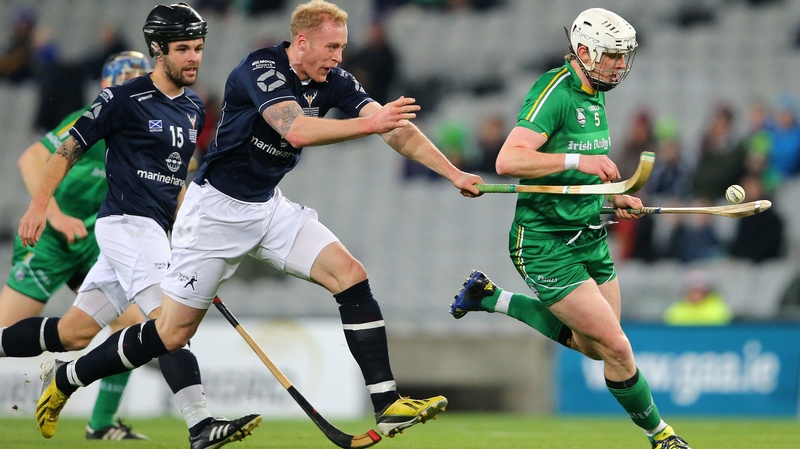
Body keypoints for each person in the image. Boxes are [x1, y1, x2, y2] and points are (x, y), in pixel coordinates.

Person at [25, 0, 483, 441]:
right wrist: (373, 123)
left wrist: (453, 172)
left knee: (350, 274)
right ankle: (69, 377)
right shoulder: (259, 68)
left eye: (342, 48)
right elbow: (297, 129)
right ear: (301, 42)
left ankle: (387, 404)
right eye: (331, 48)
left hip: (268, 208)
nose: (340, 58)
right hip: (214, 216)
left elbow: (394, 128)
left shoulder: (335, 79)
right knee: (171, 332)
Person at [15, 4, 260, 448]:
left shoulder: (192, 109)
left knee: (73, 333)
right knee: (170, 324)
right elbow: (64, 152)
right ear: (157, 51)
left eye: (199, 48)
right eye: (182, 49)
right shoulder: (122, 98)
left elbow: (177, 184)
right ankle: (200, 424)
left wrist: (194, 236)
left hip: (153, 232)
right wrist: (38, 208)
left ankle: (64, 375)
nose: (193, 57)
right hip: (127, 225)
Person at [449, 8, 691, 449]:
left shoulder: (596, 92)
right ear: (584, 51)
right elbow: (509, 161)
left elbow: (579, 178)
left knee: (595, 345)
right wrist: (581, 162)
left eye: (624, 56)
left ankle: (491, 298)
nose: (621, 64)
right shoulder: (554, 91)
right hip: (545, 244)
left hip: (590, 235)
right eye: (613, 55)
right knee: (617, 348)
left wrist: (613, 195)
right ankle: (662, 436)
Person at [0, 51, 152, 441]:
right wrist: (54, 216)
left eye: (141, 78)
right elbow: (31, 159)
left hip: (89, 243)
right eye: (127, 79)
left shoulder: (145, 127)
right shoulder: (95, 117)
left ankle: (100, 424)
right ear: (106, 85)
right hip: (50, 240)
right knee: (5, 331)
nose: (135, 86)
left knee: (134, 328)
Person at [664, 269, 733, 326]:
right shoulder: (677, 307)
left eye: (699, 290)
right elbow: (672, 322)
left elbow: (719, 321)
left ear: (707, 291)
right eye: (692, 290)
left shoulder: (719, 307)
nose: (696, 293)